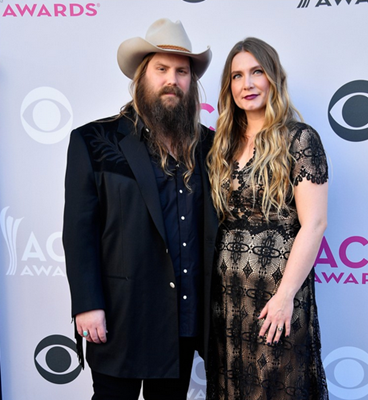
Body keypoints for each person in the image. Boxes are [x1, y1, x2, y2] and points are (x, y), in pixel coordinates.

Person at [62, 18, 217, 400]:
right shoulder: (94, 140)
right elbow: (79, 231)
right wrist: (87, 304)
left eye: (182, 72)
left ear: (191, 84)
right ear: (141, 77)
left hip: (182, 318)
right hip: (119, 315)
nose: (172, 80)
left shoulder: (211, 146)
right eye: (161, 69)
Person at [206, 37, 329, 399]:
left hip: (277, 294)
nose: (247, 84)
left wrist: (285, 295)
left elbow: (315, 223)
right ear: (229, 87)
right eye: (237, 76)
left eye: (257, 72)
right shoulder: (221, 144)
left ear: (273, 77)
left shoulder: (300, 139)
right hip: (228, 298)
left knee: (277, 388)